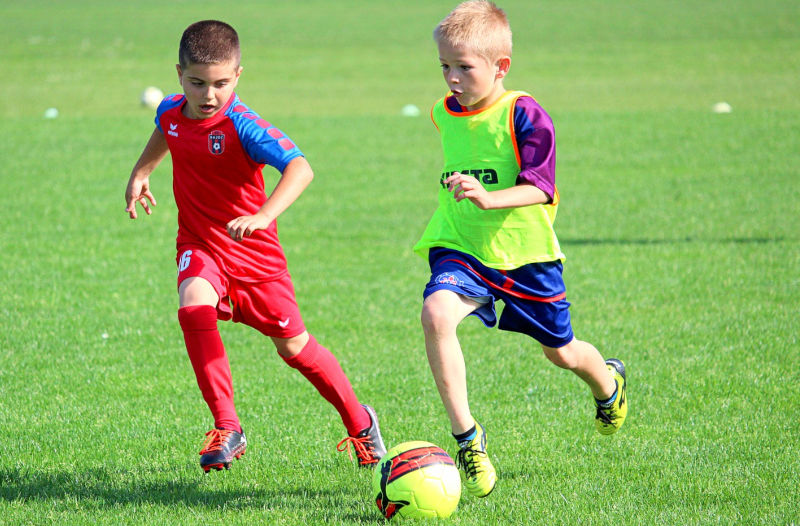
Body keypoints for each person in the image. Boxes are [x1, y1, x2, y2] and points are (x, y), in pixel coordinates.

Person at [124, 20, 386, 472]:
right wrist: (141, 173)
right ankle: (227, 426)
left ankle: (361, 423)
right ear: (179, 75)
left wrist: (264, 215)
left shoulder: (244, 125)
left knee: (295, 349)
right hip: (201, 243)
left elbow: (300, 168)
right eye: (197, 82)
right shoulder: (170, 111)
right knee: (193, 306)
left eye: (221, 83)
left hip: (256, 260)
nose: (209, 94)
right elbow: (166, 131)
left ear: (238, 76)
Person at [413, 1, 628, 497]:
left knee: (563, 353)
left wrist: (489, 197)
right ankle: (468, 438)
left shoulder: (525, 113)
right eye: (444, 66)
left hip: (525, 255)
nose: (451, 79)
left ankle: (608, 384)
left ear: (500, 67)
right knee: (436, 315)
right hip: (460, 245)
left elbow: (541, 186)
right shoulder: (442, 112)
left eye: (464, 67)